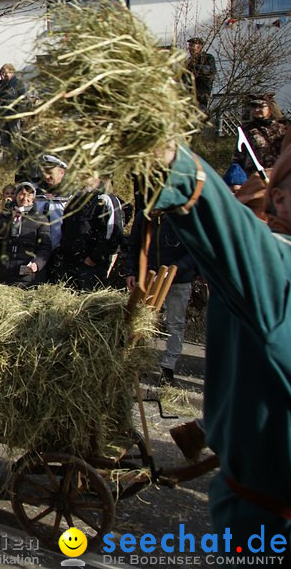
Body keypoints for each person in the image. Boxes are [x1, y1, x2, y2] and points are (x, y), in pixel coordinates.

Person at [150, 139, 291, 549]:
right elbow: (218, 217)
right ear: (279, 200)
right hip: (268, 528)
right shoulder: (273, 267)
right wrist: (165, 152)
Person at [125, 214, 198, 385]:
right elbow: (135, 243)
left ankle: (168, 366)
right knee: (142, 321)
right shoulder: (147, 212)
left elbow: (194, 249)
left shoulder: (185, 215)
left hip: (177, 279)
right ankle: (140, 362)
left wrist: (175, 269)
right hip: (148, 277)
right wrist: (131, 270)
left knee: (174, 322)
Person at [54, 174, 125, 291]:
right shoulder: (74, 199)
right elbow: (66, 227)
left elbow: (113, 234)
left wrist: (94, 258)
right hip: (69, 262)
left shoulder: (105, 199)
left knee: (88, 303)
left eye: (87, 174)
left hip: (91, 266)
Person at [0, 182, 52, 288]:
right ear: (16, 196)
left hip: (28, 275)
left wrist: (37, 263)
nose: (25, 198)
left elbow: (45, 247)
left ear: (34, 198)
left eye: (29, 194)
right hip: (4, 273)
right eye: (22, 194)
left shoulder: (41, 219)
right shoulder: (4, 217)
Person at [231, 93, 289, 176]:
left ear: (270, 107)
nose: (257, 110)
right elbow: (238, 156)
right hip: (256, 176)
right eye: (254, 107)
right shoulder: (247, 130)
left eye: (261, 107)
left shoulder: (284, 128)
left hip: (280, 175)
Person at [34, 154, 70, 251]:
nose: (46, 176)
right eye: (44, 172)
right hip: (35, 252)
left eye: (50, 172)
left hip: (61, 251)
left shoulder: (71, 197)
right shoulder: (34, 194)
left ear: (61, 172)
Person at [0, 64, 25, 149]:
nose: (2, 76)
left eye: (5, 73)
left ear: (12, 72)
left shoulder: (17, 84)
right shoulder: (2, 86)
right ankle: (7, 159)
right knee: (5, 141)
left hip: (13, 117)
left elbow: (23, 100)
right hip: (2, 117)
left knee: (15, 139)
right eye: (1, 74)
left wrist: (19, 114)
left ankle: (17, 159)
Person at [184, 37, 216, 112]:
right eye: (189, 46)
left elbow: (210, 71)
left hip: (201, 96)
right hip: (188, 97)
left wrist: (196, 68)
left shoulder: (207, 58)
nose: (190, 48)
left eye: (192, 45)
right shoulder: (188, 61)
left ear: (199, 46)